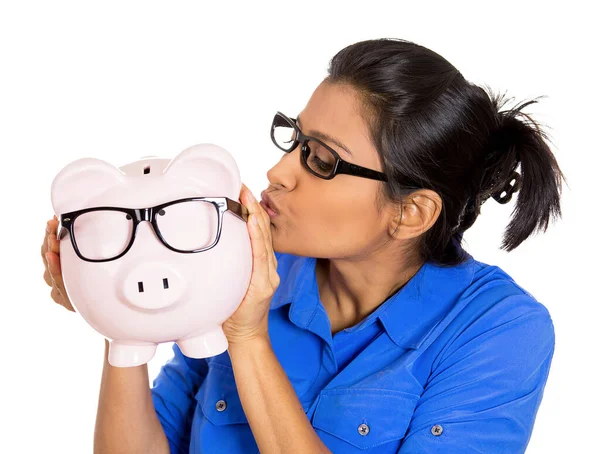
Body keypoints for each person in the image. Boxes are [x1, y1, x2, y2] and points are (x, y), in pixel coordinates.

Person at [41, 38, 565, 453]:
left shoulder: (499, 330)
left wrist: (248, 340)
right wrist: (119, 317)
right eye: (295, 140)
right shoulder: (243, 266)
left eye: (321, 159)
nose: (277, 171)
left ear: (411, 212)